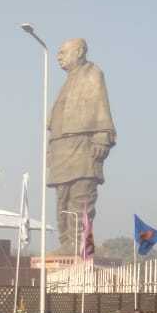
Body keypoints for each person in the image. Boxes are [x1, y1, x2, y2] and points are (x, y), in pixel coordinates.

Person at [47, 37, 116, 252]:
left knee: (81, 197)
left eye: (63, 52)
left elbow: (101, 106)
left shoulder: (92, 74)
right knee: (62, 200)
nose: (59, 57)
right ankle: (66, 243)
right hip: (62, 149)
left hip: (83, 146)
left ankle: (80, 245)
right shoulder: (68, 81)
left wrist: (102, 136)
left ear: (79, 52)